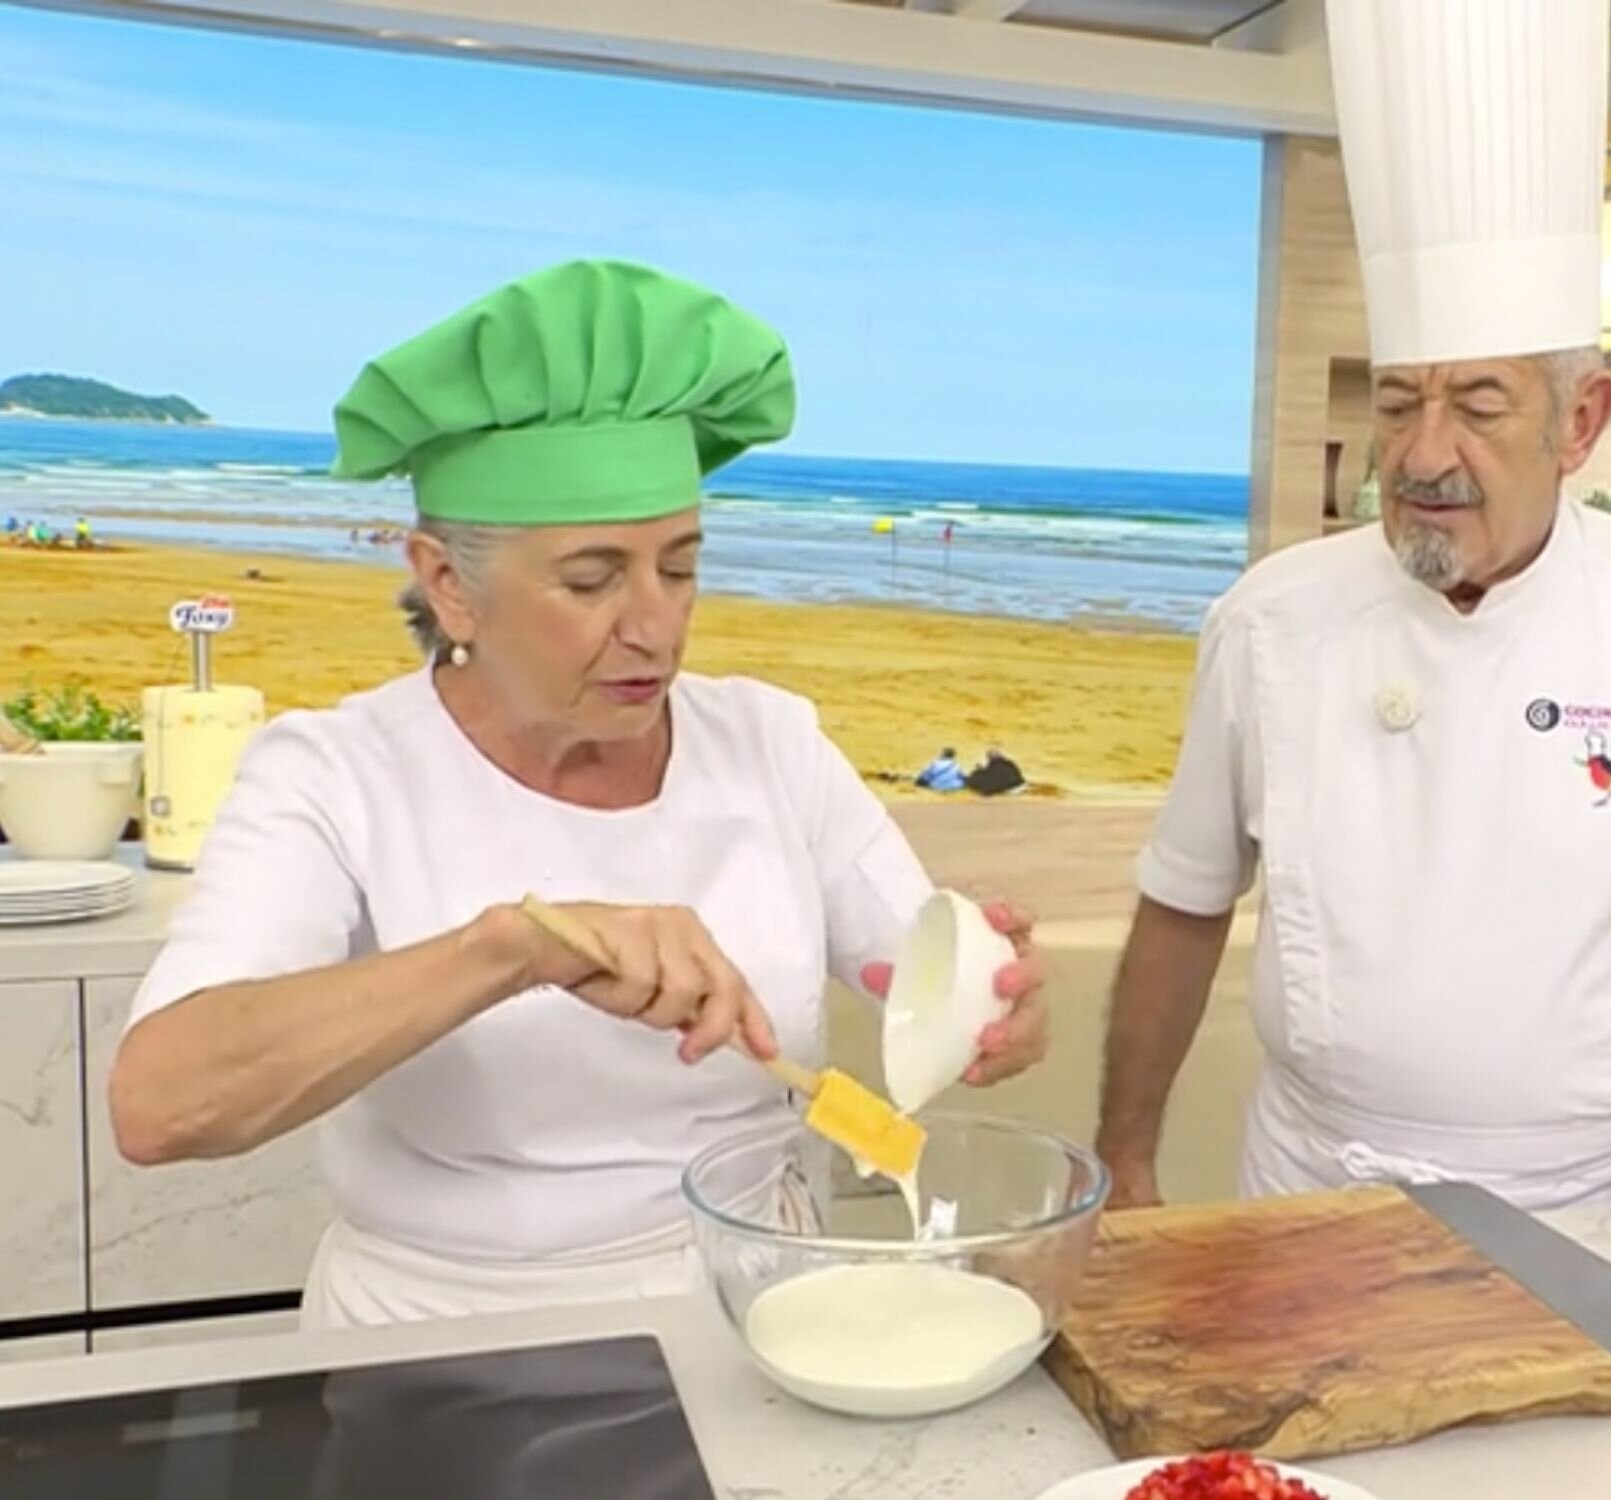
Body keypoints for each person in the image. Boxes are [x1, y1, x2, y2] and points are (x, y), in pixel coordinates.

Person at [1096, 0, 1611, 1309]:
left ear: (1581, 419)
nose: (1424, 454)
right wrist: (1123, 1160)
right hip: (1308, 1190)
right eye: (1403, 399)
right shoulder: (1270, 618)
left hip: (1589, 1212)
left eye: (1479, 406)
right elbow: (1185, 905)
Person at [108, 260, 1050, 1329]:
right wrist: (512, 949)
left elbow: (921, 970)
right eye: (592, 580)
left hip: (758, 1315)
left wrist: (991, 1004)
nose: (653, 626)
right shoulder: (336, 773)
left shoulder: (769, 742)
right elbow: (162, 1103)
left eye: (680, 567)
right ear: (449, 582)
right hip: (444, 1347)